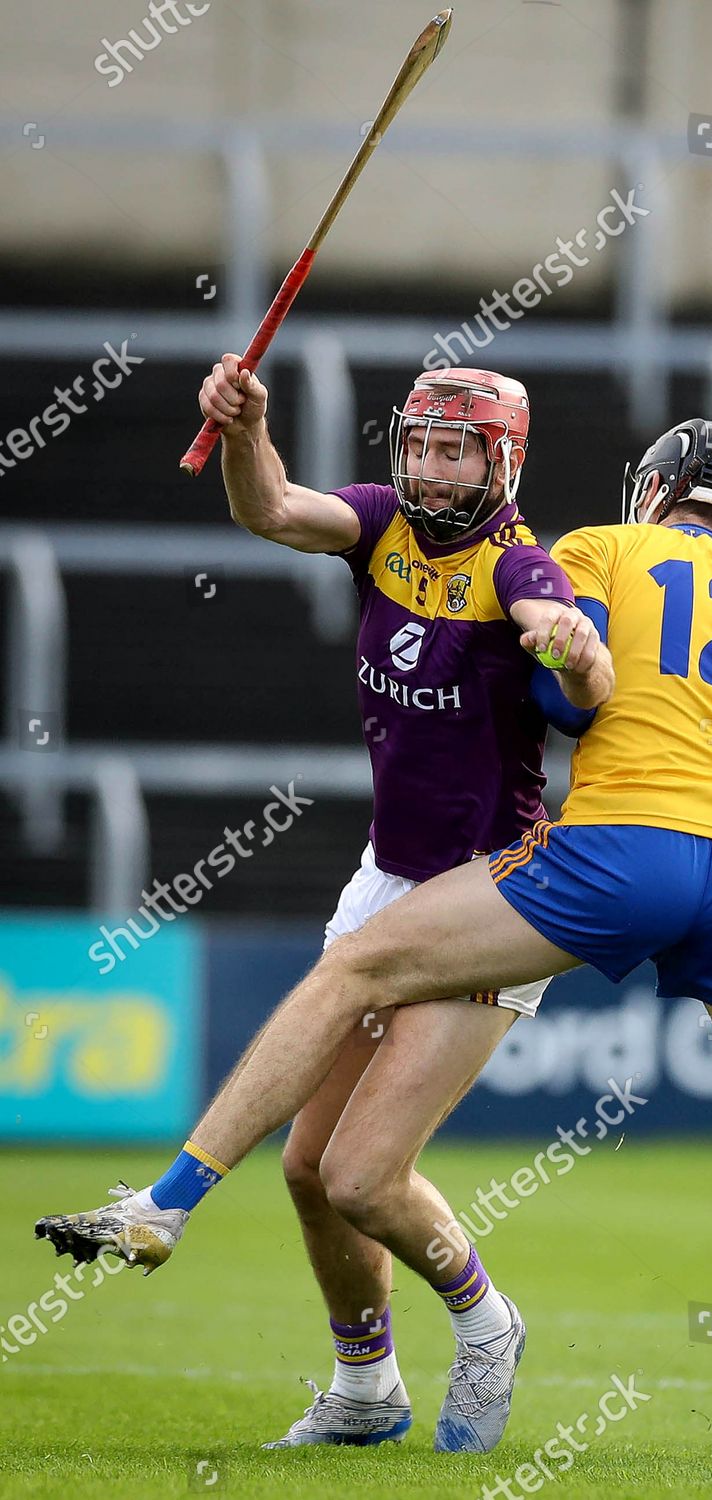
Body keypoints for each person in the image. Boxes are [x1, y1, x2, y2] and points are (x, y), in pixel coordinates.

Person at [38, 418, 712, 1479]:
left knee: (357, 962)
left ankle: (170, 1200)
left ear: (653, 490)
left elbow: (560, 702)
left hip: (617, 858)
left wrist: (568, 657)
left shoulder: (596, 548)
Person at [107, 355, 607, 1454]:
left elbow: (580, 670)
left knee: (363, 1173)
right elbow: (273, 508)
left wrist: (573, 652)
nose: (429, 469)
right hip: (387, 878)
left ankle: (485, 1323)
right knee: (306, 1170)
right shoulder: (377, 525)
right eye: (420, 445)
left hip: (488, 894)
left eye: (454, 449)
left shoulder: (521, 563)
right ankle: (365, 1391)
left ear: (502, 459)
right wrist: (246, 426)